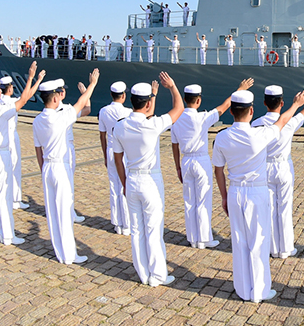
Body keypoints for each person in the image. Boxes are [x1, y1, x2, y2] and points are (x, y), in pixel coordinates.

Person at [213, 84, 304, 302]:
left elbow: (218, 170)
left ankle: (243, 289)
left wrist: (224, 196)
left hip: (235, 191)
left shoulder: (221, 137)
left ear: (232, 111)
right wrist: (296, 104)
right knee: (258, 241)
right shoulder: (259, 134)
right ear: (251, 110)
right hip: (257, 192)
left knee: (239, 241)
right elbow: (282, 121)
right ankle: (260, 291)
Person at [113, 74, 185, 287]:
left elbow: (117, 159)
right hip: (150, 181)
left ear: (131, 101)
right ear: (147, 104)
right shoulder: (153, 125)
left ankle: (143, 273)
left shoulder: (120, 126)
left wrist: (124, 183)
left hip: (131, 180)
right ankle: (158, 275)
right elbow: (179, 108)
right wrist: (172, 87)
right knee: (154, 228)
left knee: (137, 230)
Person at [172, 78, 252, 248]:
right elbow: (224, 107)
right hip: (200, 159)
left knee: (189, 201)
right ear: (198, 100)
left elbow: (174, 145)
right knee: (203, 200)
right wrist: (240, 89)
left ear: (185, 99)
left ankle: (193, 238)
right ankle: (204, 239)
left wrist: (178, 167)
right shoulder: (202, 117)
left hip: (185, 160)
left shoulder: (176, 119)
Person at [33, 70, 99, 265]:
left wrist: (43, 170)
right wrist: (92, 84)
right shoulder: (60, 118)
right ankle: (70, 255)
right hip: (60, 167)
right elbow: (81, 104)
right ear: (55, 98)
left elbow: (38, 150)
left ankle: (60, 252)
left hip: (47, 166)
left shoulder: (38, 120)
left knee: (53, 212)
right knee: (64, 210)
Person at [0, 63, 43, 247]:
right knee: (4, 195)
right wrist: (31, 77)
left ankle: (1, 231)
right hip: (1, 153)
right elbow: (23, 101)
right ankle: (8, 236)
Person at [252, 78, 304, 259]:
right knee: (285, 207)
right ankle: (286, 249)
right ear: (281, 103)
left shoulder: (256, 123)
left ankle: (272, 248)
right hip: (284, 166)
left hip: (264, 167)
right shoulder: (289, 122)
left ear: (265, 102)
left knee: (269, 208)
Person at [99, 81, 132, 235]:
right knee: (125, 185)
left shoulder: (103, 111)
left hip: (111, 150)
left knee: (114, 187)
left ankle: (117, 223)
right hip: (124, 151)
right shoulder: (128, 112)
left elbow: (102, 135)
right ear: (123, 95)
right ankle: (127, 224)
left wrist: (105, 155)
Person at [0, 76, 28, 210]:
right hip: (12, 135)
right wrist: (32, 79)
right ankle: (15, 199)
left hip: (2, 136)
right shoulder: (11, 102)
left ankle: (8, 196)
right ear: (10, 88)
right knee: (15, 167)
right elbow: (25, 97)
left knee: (5, 168)